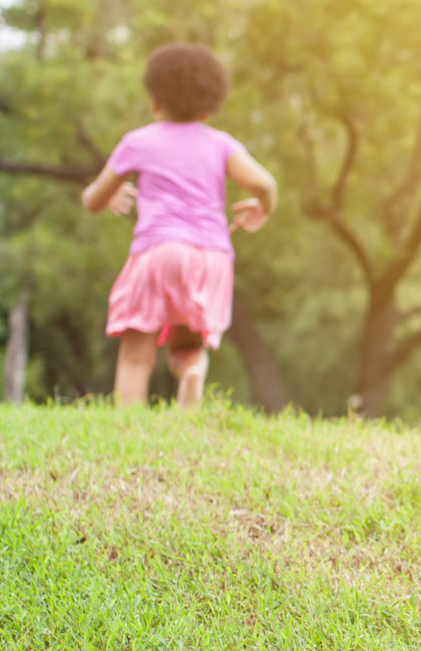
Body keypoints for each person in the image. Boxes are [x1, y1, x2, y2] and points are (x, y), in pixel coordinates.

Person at [80, 43, 279, 408]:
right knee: (188, 344)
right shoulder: (221, 144)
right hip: (213, 257)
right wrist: (262, 208)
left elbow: (92, 199)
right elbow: (265, 184)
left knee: (136, 353)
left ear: (155, 101)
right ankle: (191, 374)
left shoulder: (138, 142)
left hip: (161, 250)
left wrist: (107, 195)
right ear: (209, 107)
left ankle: (128, 431)